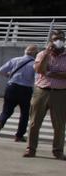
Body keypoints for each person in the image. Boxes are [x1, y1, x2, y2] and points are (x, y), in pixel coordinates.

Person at [26, 30, 66, 159]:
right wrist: (47, 54)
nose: (58, 41)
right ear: (50, 41)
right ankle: (31, 149)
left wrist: (50, 73)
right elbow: (39, 70)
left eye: (61, 38)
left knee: (59, 124)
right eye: (55, 39)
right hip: (42, 91)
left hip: (60, 93)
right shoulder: (42, 54)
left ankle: (58, 150)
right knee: (34, 122)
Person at [0, 44, 39, 142]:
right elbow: (37, 79)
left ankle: (0, 122)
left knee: (6, 110)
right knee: (25, 113)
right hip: (25, 89)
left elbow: (1, 70)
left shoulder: (15, 60)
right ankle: (19, 135)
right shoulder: (35, 64)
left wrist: (9, 75)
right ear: (35, 53)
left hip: (12, 87)